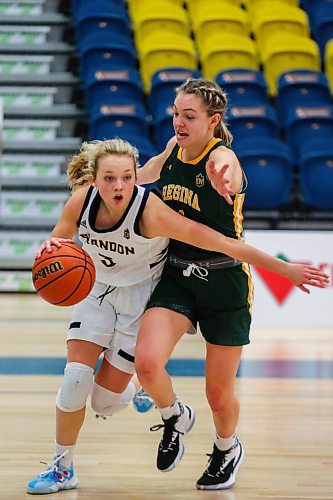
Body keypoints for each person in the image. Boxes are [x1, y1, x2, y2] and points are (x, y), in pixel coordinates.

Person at [26, 137, 327, 495]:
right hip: (96, 293)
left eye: (126, 177)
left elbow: (222, 242)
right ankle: (63, 467)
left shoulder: (150, 211)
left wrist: (283, 269)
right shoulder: (81, 202)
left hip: (138, 300)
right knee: (75, 380)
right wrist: (48, 251)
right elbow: (57, 244)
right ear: (93, 180)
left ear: (136, 177)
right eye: (108, 178)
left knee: (104, 402)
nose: (118, 186)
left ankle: (139, 389)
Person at [134, 78, 329, 491]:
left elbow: (229, 169)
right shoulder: (172, 149)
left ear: (213, 121)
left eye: (189, 116)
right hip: (178, 272)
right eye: (175, 113)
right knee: (147, 363)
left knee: (218, 395)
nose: (179, 122)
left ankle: (227, 447)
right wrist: (108, 181)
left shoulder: (221, 157)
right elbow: (142, 175)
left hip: (225, 279)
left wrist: (226, 174)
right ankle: (174, 416)